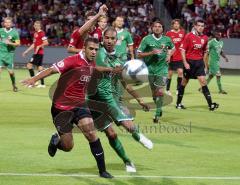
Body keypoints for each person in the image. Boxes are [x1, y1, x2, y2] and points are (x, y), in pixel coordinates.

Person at [21, 37, 116, 178]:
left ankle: (102, 171)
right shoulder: (72, 60)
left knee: (91, 133)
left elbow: (94, 69)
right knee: (68, 146)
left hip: (79, 104)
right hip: (61, 108)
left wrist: (109, 69)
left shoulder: (92, 62)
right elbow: (52, 70)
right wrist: (34, 79)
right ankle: (55, 142)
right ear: (84, 48)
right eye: (91, 48)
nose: (94, 52)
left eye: (96, 49)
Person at [89, 27, 153, 172]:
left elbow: (124, 83)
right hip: (95, 100)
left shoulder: (120, 58)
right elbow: (94, 68)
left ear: (117, 40)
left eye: (112, 38)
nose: (109, 41)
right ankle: (127, 161)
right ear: (102, 38)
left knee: (128, 125)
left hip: (113, 98)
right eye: (107, 38)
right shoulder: (96, 52)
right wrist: (112, 70)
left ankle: (139, 137)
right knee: (111, 133)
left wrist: (140, 100)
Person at [137, 18, 175, 123]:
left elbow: (173, 48)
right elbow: (139, 54)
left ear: (163, 28)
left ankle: (157, 114)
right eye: (155, 26)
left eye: (159, 27)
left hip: (162, 69)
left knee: (160, 91)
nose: (157, 28)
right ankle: (158, 105)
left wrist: (169, 55)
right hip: (150, 69)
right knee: (154, 93)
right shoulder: (146, 39)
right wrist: (150, 53)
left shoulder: (167, 39)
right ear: (152, 28)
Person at [177, 19, 219, 111]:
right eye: (199, 25)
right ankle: (178, 103)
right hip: (189, 62)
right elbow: (182, 50)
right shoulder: (188, 36)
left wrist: (205, 64)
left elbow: (205, 52)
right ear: (195, 26)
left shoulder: (205, 38)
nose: (200, 27)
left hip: (199, 63)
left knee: (203, 81)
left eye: (202, 26)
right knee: (184, 82)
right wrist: (185, 63)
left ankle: (210, 105)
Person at [22, 21, 48, 88]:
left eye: (37, 25)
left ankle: (34, 82)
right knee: (40, 68)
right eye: (35, 25)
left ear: (40, 26)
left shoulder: (42, 33)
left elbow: (46, 42)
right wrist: (26, 51)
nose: (36, 26)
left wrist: (39, 46)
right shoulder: (35, 33)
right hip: (38, 53)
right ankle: (42, 84)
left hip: (38, 53)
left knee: (29, 65)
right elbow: (34, 44)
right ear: (33, 26)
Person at [0, 17, 20, 92]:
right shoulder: (1, 30)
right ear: (4, 23)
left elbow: (18, 44)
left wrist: (10, 43)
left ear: (11, 24)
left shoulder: (14, 32)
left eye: (9, 22)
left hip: (9, 55)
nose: (7, 24)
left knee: (11, 72)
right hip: (1, 54)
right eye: (6, 22)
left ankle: (14, 84)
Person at [165, 19, 185, 95]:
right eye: (175, 24)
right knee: (170, 74)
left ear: (179, 25)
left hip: (180, 56)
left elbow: (185, 44)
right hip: (172, 56)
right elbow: (166, 45)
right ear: (172, 25)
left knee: (180, 72)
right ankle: (167, 89)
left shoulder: (183, 33)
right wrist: (168, 55)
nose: (176, 25)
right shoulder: (169, 33)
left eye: (178, 24)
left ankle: (178, 89)